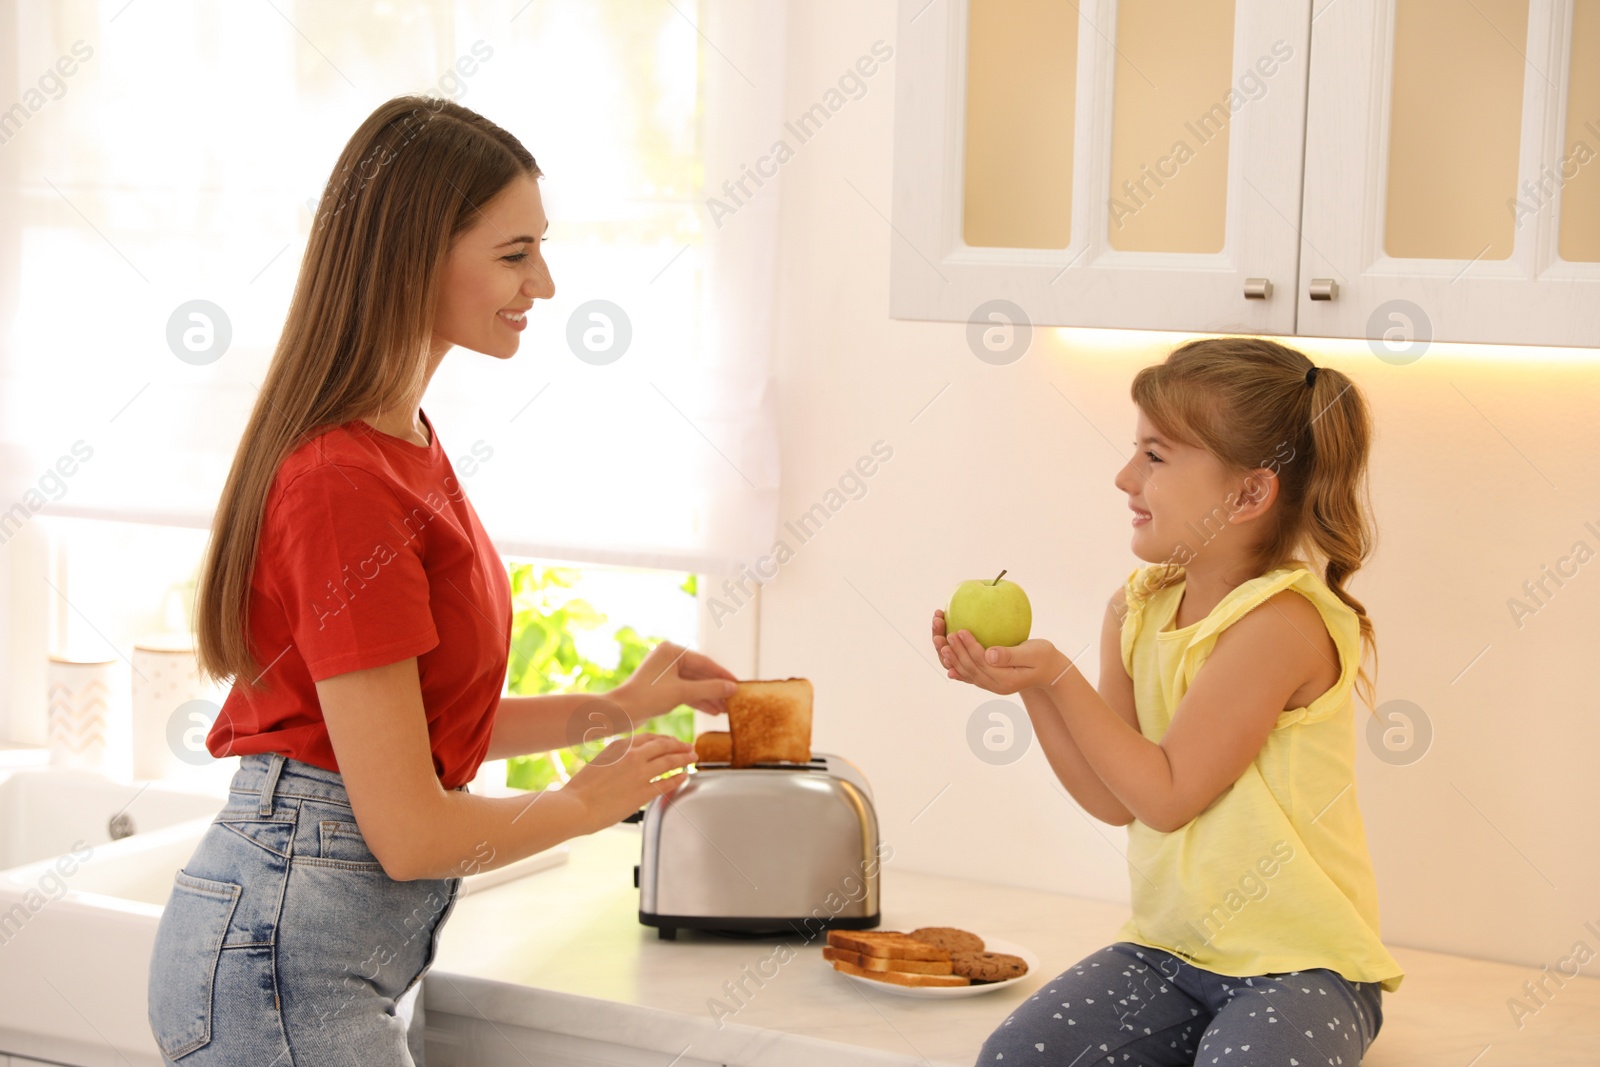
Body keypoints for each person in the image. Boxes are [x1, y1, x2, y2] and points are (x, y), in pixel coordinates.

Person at [147, 95, 739, 1066]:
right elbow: (411, 830)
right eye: (514, 254)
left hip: (310, 958)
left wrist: (615, 708)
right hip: (278, 968)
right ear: (413, 254)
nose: (543, 283)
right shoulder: (345, 481)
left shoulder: (402, 447)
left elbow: (413, 726)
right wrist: (589, 803)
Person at [934, 337, 1404, 1066]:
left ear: (1249, 493)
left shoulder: (1279, 625)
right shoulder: (1138, 608)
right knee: (1018, 1056)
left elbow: (1169, 795)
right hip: (1168, 952)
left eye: (1155, 456)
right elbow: (1114, 795)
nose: (1125, 476)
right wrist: (1031, 686)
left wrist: (1058, 677)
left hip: (1302, 968)